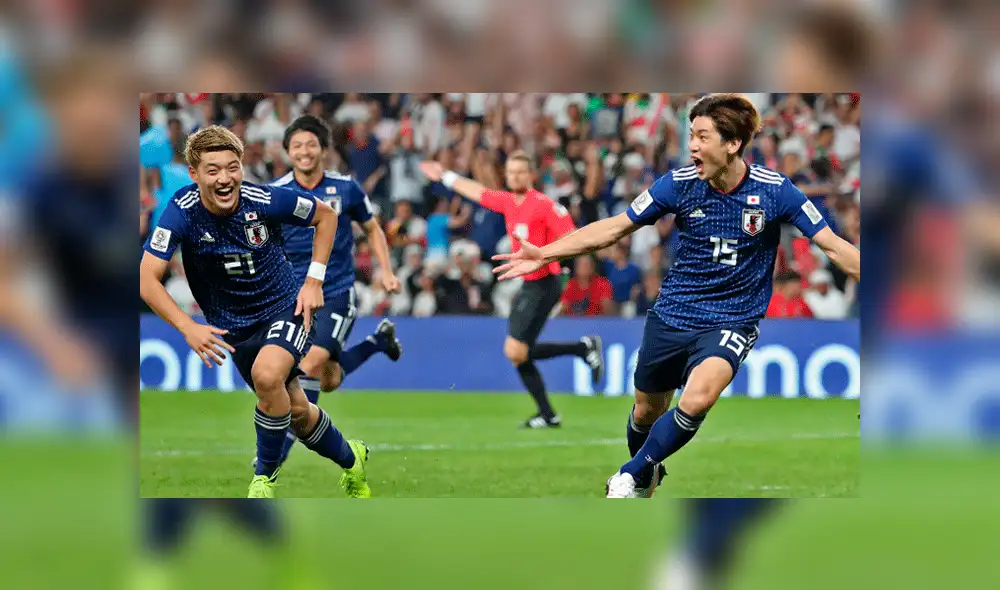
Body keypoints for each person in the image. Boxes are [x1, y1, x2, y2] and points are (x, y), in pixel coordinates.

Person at [492, 94, 860, 497]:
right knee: (647, 410)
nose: (693, 146)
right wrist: (543, 252)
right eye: (691, 136)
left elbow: (834, 246)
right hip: (673, 314)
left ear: (732, 143)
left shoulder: (775, 192)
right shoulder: (679, 185)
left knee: (700, 396)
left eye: (703, 137)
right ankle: (643, 479)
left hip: (733, 318)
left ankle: (629, 474)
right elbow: (615, 227)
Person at [139, 125, 371, 498]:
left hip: (285, 309)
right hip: (234, 328)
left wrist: (313, 280)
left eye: (233, 167)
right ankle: (351, 459)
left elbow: (325, 216)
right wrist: (187, 327)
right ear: (194, 174)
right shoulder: (181, 211)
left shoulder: (262, 199)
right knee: (296, 410)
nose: (225, 178)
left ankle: (263, 479)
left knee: (267, 376)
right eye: (213, 170)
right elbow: (146, 278)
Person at [419, 151, 605, 429]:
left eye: (521, 171)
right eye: (511, 172)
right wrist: (445, 175)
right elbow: (478, 192)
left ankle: (561, 387)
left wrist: (551, 257)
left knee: (515, 350)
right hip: (531, 283)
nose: (515, 176)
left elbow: (572, 236)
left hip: (545, 282)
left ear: (531, 175)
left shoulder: (544, 205)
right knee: (518, 352)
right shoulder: (508, 202)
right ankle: (558, 394)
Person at [267, 115, 402, 469]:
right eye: (297, 146)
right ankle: (377, 343)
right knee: (329, 379)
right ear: (287, 152)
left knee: (308, 365)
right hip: (292, 296)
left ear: (324, 150)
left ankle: (272, 460)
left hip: (337, 291)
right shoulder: (276, 193)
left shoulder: (346, 189)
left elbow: (372, 229)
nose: (305, 151)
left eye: (311, 144)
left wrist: (385, 270)